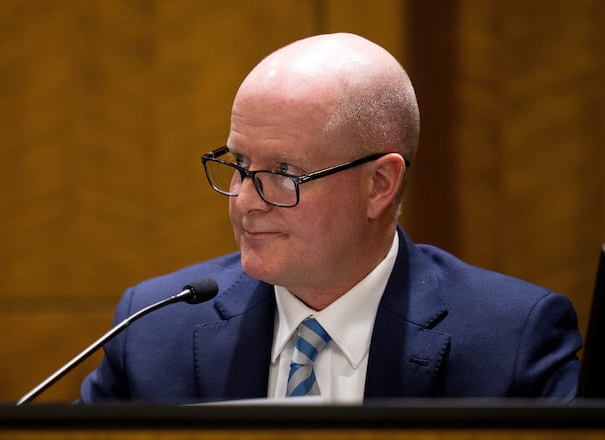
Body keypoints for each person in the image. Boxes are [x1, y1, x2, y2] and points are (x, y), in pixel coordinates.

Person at [80, 33, 581, 403]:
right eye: (237, 165)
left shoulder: (512, 340)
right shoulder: (153, 327)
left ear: (379, 185)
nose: (244, 200)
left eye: (283, 172)